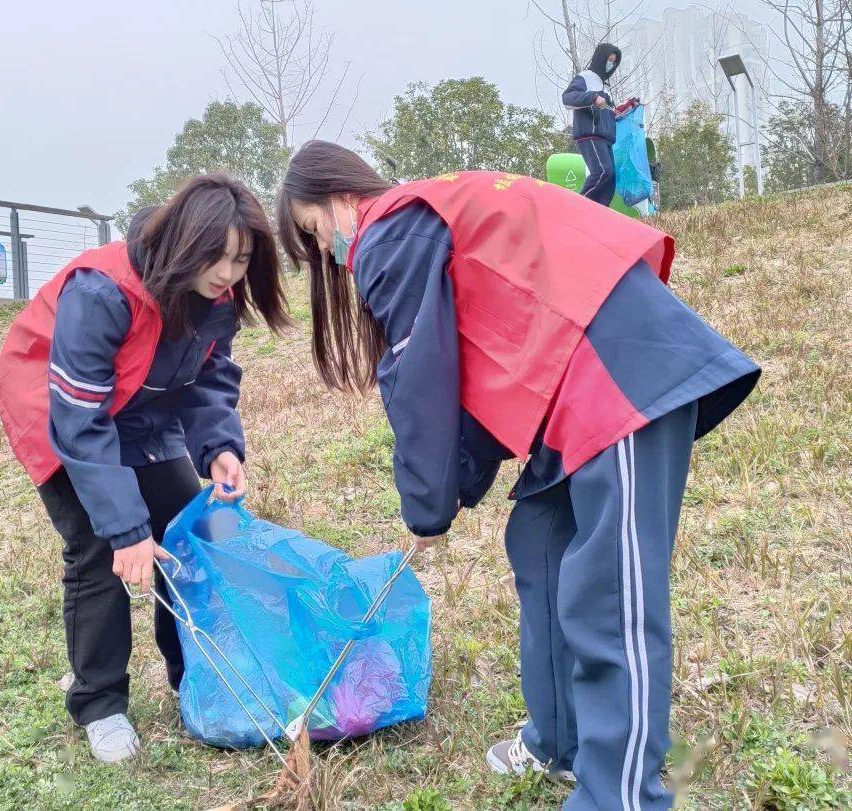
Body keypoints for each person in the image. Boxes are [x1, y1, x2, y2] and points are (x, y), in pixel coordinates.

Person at [276, 141, 760, 810]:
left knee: (609, 594)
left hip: (615, 370)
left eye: (312, 232)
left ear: (337, 199)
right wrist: (452, 488)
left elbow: (419, 382)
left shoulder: (388, 228)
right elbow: (462, 368)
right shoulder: (420, 223)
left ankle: (619, 794)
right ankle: (561, 741)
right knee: (538, 543)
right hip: (566, 383)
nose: (327, 252)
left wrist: (427, 504)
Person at [0, 173, 289, 763]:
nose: (228, 274)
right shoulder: (100, 290)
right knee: (99, 547)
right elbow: (80, 420)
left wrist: (218, 449)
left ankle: (195, 675)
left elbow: (209, 379)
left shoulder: (215, 297)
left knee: (187, 532)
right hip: (59, 409)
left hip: (140, 405)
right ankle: (100, 702)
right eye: (217, 257)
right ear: (184, 242)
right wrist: (127, 530)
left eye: (241, 259)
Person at [563, 43, 622, 206]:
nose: (610, 64)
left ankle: (600, 215)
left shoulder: (606, 87)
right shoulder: (585, 77)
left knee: (610, 181)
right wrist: (593, 97)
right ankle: (578, 207)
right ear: (600, 58)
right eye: (608, 60)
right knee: (602, 171)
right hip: (591, 134)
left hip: (606, 138)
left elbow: (610, 111)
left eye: (613, 62)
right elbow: (567, 98)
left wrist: (626, 108)